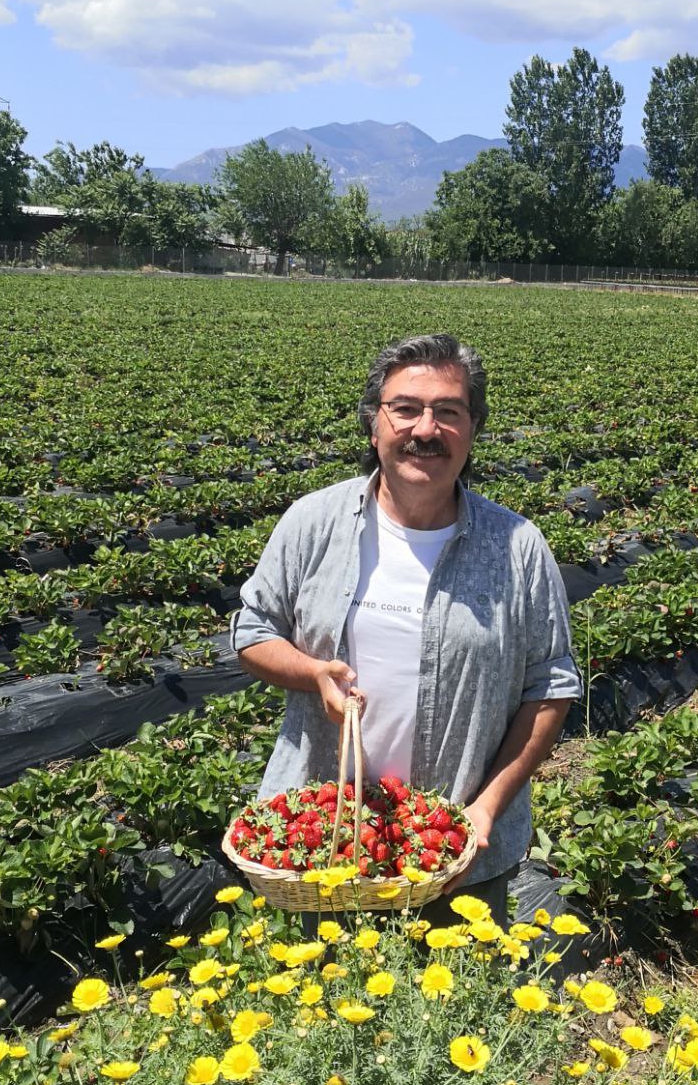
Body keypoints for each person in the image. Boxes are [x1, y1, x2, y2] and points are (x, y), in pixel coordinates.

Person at [230, 333, 581, 925]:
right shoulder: (314, 522)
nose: (426, 429)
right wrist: (313, 673)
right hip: (317, 849)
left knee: (455, 985)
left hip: (454, 850)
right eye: (406, 408)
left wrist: (486, 809)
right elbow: (252, 631)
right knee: (318, 984)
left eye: (448, 412)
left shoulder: (517, 546)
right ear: (375, 425)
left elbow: (550, 687)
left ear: (473, 430)